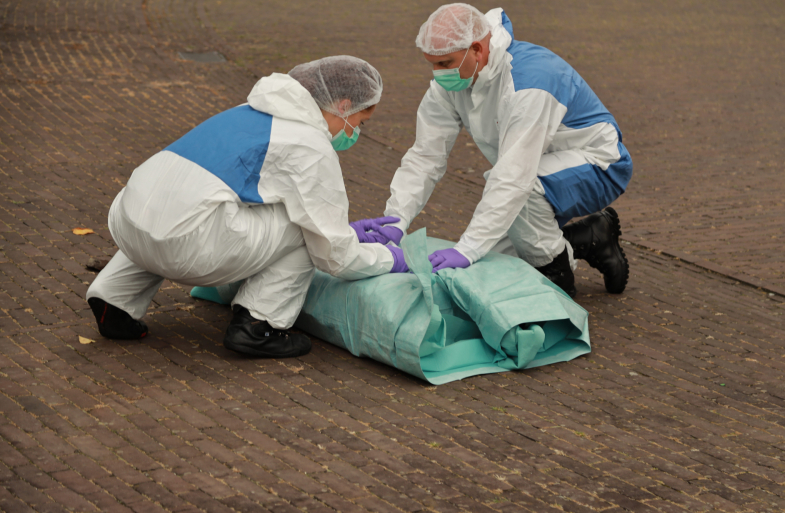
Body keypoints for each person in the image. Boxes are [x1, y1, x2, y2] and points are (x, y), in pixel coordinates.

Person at [85, 56, 407, 358]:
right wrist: (390, 259)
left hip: (127, 225)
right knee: (305, 229)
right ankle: (259, 326)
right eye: (360, 122)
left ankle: (114, 300)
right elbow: (335, 256)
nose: (355, 133)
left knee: (169, 205)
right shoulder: (310, 143)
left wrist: (348, 231)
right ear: (345, 105)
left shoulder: (246, 111)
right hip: (187, 248)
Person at [357, 4, 632, 297]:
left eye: (445, 63)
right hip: (534, 169)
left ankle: (558, 291)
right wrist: (396, 220)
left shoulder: (527, 82)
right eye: (432, 64)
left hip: (599, 164)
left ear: (476, 49)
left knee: (515, 213)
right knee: (499, 261)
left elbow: (514, 177)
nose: (438, 75)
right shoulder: (452, 84)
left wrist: (468, 248)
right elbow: (425, 157)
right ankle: (593, 237)